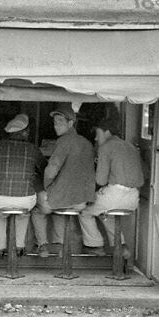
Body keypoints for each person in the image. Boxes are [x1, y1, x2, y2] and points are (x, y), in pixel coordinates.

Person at [31, 104, 96, 258]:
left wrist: (47, 187)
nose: (55, 125)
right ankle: (61, 247)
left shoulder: (64, 141)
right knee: (60, 212)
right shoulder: (87, 143)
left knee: (38, 210)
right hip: (81, 201)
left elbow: (51, 169)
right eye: (54, 122)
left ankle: (43, 246)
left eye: (60, 121)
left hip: (62, 200)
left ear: (71, 123)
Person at [0, 114, 47, 258]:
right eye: (28, 131)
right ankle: (20, 247)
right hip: (25, 200)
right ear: (25, 132)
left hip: (0, 200)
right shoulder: (33, 149)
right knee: (24, 214)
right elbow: (44, 170)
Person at [79, 117, 145, 258]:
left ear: (107, 132)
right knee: (105, 215)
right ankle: (121, 246)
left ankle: (94, 245)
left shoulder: (105, 147)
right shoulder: (131, 146)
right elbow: (144, 173)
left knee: (84, 211)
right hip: (133, 197)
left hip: (115, 194)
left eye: (98, 133)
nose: (96, 138)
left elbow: (100, 180)